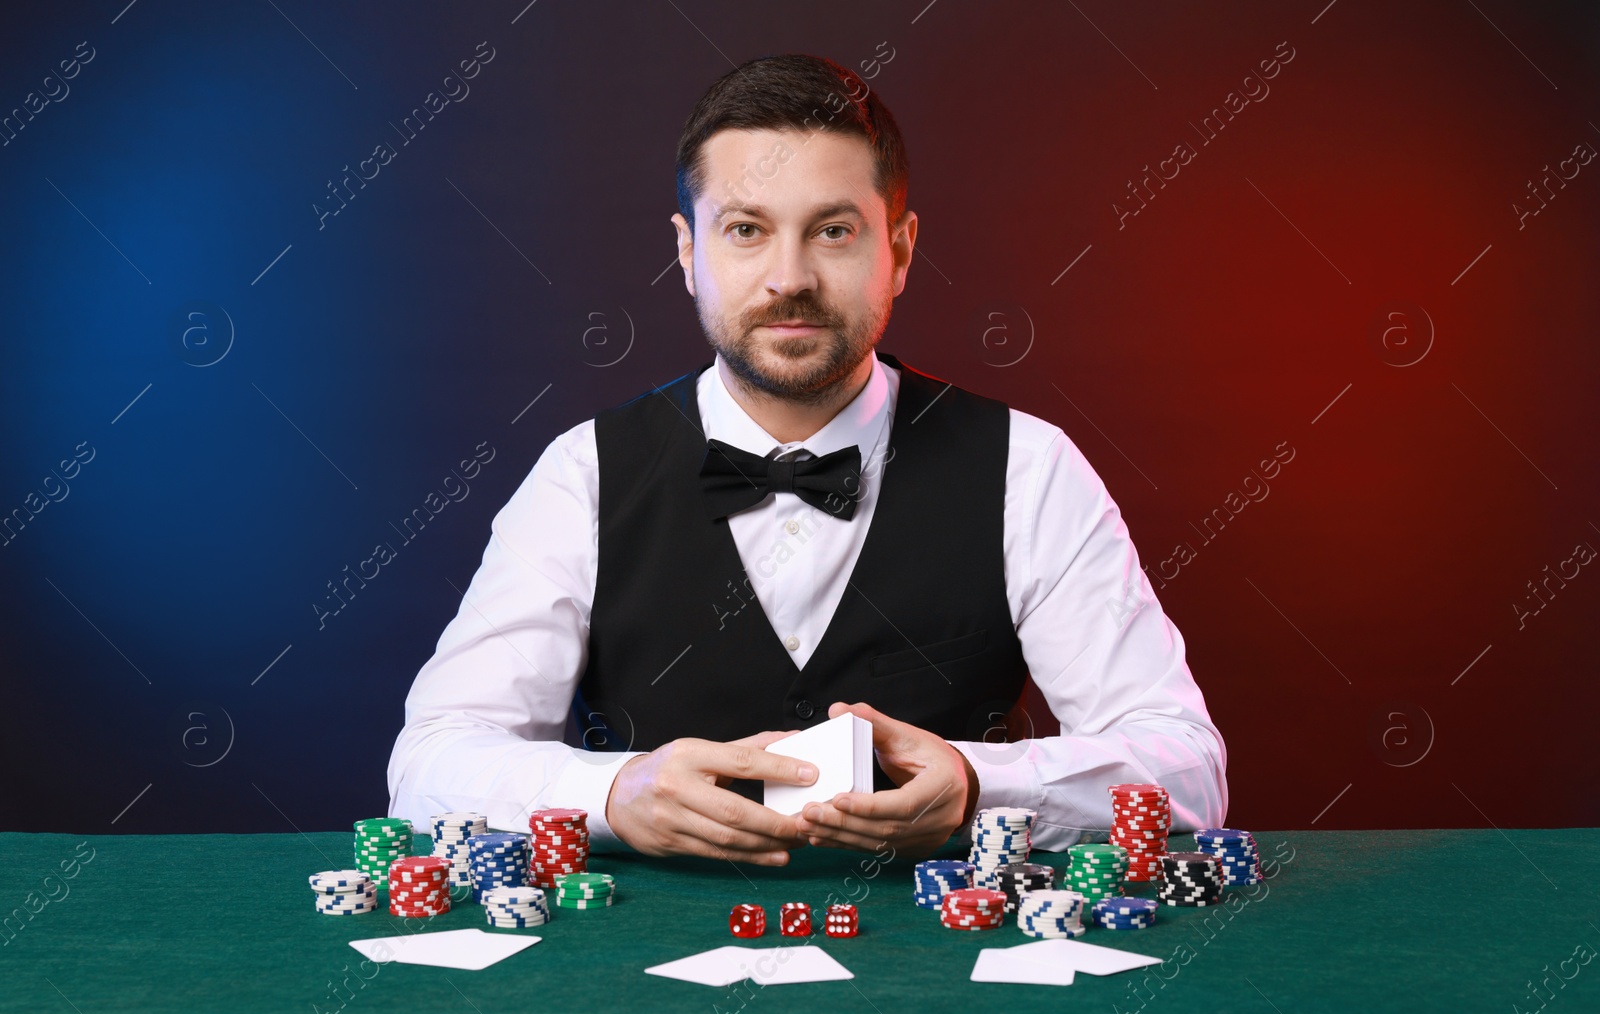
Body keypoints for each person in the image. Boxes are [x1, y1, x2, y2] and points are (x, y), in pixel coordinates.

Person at [388, 53, 1226, 866]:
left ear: (898, 250)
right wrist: (616, 793)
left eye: (832, 231)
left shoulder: (1029, 467)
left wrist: (980, 783)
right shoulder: (584, 473)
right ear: (688, 253)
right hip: (638, 992)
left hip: (944, 987)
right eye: (747, 230)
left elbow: (1188, 766)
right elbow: (428, 763)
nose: (789, 278)